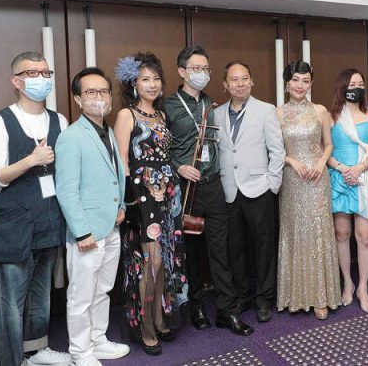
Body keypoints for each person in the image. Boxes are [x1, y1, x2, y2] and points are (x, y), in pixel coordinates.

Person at [0, 51, 70, 366]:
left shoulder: (59, 120)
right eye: (32, 73)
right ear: (16, 81)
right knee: (10, 300)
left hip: (49, 220)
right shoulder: (0, 121)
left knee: (41, 292)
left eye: (46, 73)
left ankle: (36, 349)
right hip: (14, 224)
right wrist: (31, 160)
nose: (41, 79)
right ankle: (11, 359)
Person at [164, 46, 253, 336]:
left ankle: (227, 311)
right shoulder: (168, 106)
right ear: (182, 71)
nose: (201, 74)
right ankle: (196, 306)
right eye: (195, 68)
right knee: (190, 253)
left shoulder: (211, 103)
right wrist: (178, 166)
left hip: (213, 185)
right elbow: (159, 148)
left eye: (205, 69)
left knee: (220, 250)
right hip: (186, 189)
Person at [113, 53, 188, 356]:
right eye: (145, 79)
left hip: (167, 193)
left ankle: (159, 318)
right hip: (142, 196)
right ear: (134, 83)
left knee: (166, 261)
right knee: (150, 263)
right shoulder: (126, 115)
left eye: (156, 78)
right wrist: (129, 200)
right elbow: (122, 160)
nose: (152, 84)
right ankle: (145, 327)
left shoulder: (162, 115)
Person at [55, 67, 130, 366]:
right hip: (87, 233)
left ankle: (98, 340)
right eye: (91, 92)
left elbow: (114, 177)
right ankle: (80, 351)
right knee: (81, 296)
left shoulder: (107, 131)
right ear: (78, 99)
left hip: (111, 226)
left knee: (103, 291)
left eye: (104, 91)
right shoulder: (71, 137)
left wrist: (121, 205)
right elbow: (66, 190)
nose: (99, 97)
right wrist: (81, 232)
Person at [215, 61, 285, 323]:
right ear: (225, 85)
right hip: (229, 190)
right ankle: (243, 295)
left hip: (259, 188)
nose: (240, 84)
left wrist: (272, 184)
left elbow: (277, 151)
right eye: (234, 79)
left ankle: (264, 298)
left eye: (245, 78)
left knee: (264, 246)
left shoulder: (266, 110)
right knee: (235, 247)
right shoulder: (216, 114)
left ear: (252, 81)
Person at [276, 61, 341, 320]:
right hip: (292, 179)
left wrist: (321, 163)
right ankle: (295, 294)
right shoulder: (278, 113)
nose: (300, 85)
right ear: (287, 82)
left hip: (317, 179)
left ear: (311, 84)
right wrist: (292, 161)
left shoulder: (320, 110)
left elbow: (329, 144)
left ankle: (320, 297)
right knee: (294, 232)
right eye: (295, 79)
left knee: (318, 232)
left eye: (305, 81)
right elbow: (274, 150)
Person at [327, 68, 368, 314]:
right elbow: (325, 150)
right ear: (342, 87)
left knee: (365, 236)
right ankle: (347, 283)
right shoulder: (331, 116)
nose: (357, 88)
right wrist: (343, 169)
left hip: (365, 178)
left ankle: (363, 287)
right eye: (352, 84)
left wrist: (359, 168)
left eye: (360, 84)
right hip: (340, 179)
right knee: (342, 234)